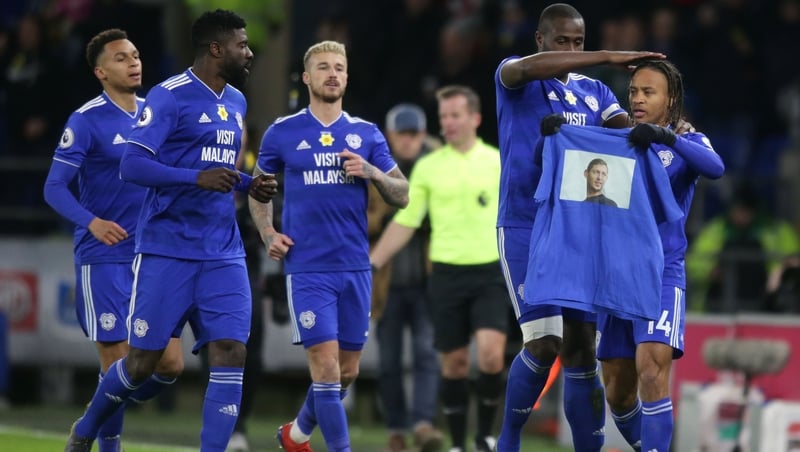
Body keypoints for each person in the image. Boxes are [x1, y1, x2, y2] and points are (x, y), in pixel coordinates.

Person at [64, 10, 277, 452]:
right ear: (216, 49)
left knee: (231, 352)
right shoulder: (168, 97)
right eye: (241, 44)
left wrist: (248, 182)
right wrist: (194, 178)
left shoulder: (236, 100)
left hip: (223, 250)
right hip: (167, 250)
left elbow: (220, 168)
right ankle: (86, 429)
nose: (249, 51)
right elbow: (133, 164)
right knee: (141, 363)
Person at [493, 3, 665, 451]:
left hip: (576, 230)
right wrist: (607, 56)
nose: (570, 49)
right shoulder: (514, 75)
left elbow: (622, 131)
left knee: (581, 350)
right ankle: (507, 439)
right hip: (525, 224)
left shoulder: (596, 93)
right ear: (540, 39)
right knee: (545, 343)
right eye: (562, 41)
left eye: (577, 42)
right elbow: (529, 70)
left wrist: (651, 132)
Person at [248, 40, 409, 452]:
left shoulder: (365, 133)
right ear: (307, 77)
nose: (332, 73)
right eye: (323, 67)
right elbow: (258, 191)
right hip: (307, 268)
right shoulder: (282, 132)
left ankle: (296, 435)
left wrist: (371, 171)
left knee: (347, 371)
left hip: (355, 267)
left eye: (339, 67)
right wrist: (268, 233)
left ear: (347, 77)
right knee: (325, 367)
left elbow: (402, 193)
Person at [43, 28, 185, 452]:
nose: (134, 62)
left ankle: (96, 412)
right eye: (122, 58)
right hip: (103, 256)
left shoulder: (156, 115)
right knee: (118, 360)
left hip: (153, 255)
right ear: (101, 71)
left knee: (171, 364)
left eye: (136, 55)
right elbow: (54, 187)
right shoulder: (86, 120)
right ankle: (106, 445)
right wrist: (92, 222)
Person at [597, 59, 725, 452]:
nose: (637, 99)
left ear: (670, 101)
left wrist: (667, 139)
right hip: (615, 274)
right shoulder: (613, 140)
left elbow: (716, 167)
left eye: (648, 92)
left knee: (651, 369)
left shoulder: (687, 141)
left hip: (660, 273)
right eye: (633, 91)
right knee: (618, 392)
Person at [371, 85, 506, 452]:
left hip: (490, 273)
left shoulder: (497, 161)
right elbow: (406, 221)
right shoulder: (430, 167)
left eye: (454, 115)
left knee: (492, 354)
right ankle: (461, 443)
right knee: (455, 364)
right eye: (443, 116)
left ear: (475, 118)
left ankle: (486, 436)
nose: (446, 122)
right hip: (445, 275)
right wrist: (372, 263)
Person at [369, 103, 443, 452]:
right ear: (391, 136)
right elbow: (360, 217)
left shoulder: (440, 166)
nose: (410, 141)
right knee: (389, 361)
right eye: (404, 134)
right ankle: (397, 429)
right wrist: (384, 224)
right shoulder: (374, 165)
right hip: (387, 281)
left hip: (428, 279)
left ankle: (423, 424)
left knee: (428, 354)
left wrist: (432, 224)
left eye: (415, 134)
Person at [686, 183, 800, 313]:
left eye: (747, 210)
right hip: (719, 303)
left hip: (763, 303)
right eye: (739, 209)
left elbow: (794, 259)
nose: (743, 215)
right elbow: (693, 262)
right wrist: (711, 272)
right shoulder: (716, 229)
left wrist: (780, 271)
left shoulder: (776, 230)